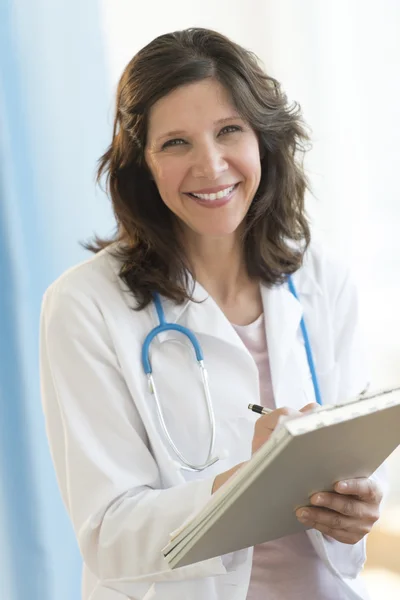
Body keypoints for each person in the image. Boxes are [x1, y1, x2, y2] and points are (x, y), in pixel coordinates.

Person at [40, 27, 385, 600]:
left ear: (263, 140)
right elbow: (107, 533)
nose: (211, 164)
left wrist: (358, 506)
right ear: (142, 162)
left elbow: (360, 479)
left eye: (229, 131)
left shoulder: (323, 279)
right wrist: (247, 487)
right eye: (176, 143)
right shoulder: (84, 306)